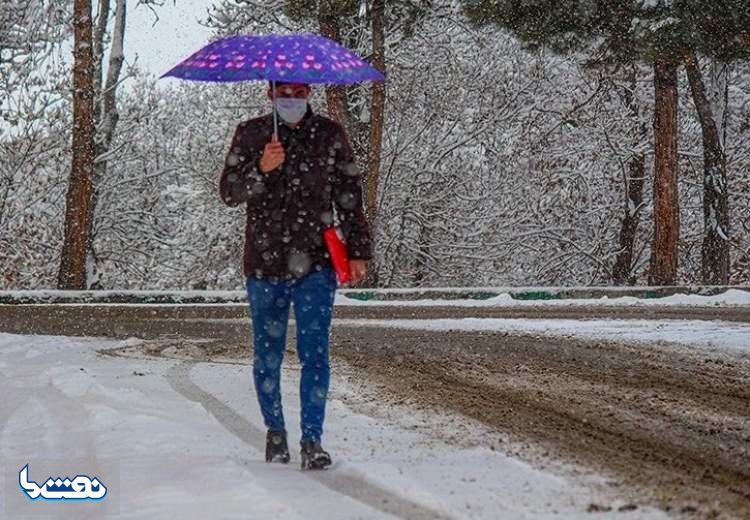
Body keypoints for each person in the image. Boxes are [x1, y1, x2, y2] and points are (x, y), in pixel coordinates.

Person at [219, 81, 372, 470]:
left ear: (309, 93)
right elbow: (229, 192)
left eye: (299, 91)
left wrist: (358, 250)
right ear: (270, 93)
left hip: (316, 263)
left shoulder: (328, 134)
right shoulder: (252, 133)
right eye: (283, 91)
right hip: (265, 263)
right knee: (267, 354)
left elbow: (349, 194)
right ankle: (275, 433)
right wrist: (261, 168)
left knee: (315, 353)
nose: (291, 98)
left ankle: (312, 440)